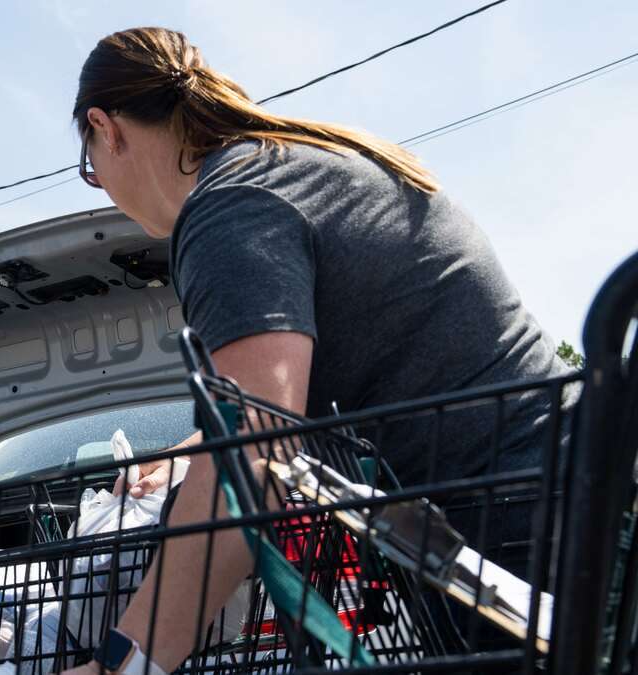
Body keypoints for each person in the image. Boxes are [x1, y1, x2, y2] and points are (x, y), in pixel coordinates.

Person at [61, 27, 575, 675]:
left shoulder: (229, 209)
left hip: (512, 526)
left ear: (105, 128)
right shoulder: (290, 163)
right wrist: (194, 448)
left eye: (89, 168)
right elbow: (275, 418)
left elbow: (254, 459)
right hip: (553, 484)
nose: (102, 184)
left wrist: (122, 663)